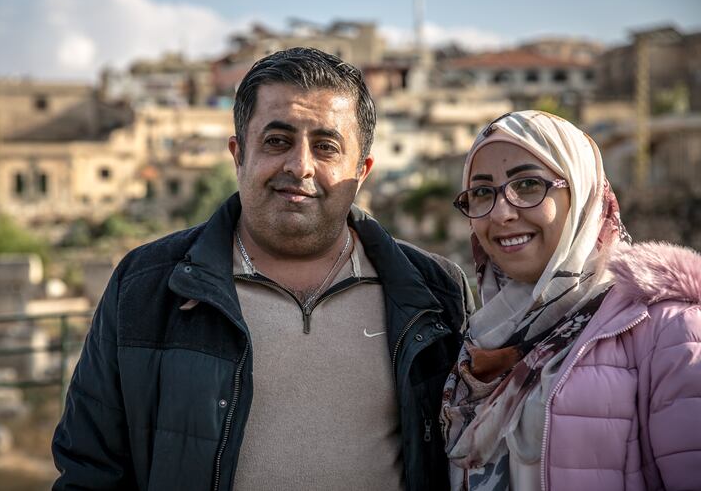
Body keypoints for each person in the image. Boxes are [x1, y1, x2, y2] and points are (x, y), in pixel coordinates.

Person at [52, 47, 473, 491]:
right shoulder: (146, 286)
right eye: (277, 141)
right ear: (238, 154)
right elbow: (90, 470)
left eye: (326, 146)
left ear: (361, 171)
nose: (299, 165)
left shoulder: (435, 294)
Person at [440, 110, 701, 490]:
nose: (501, 213)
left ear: (582, 194)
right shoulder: (482, 338)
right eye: (482, 193)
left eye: (528, 185)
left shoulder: (668, 330)